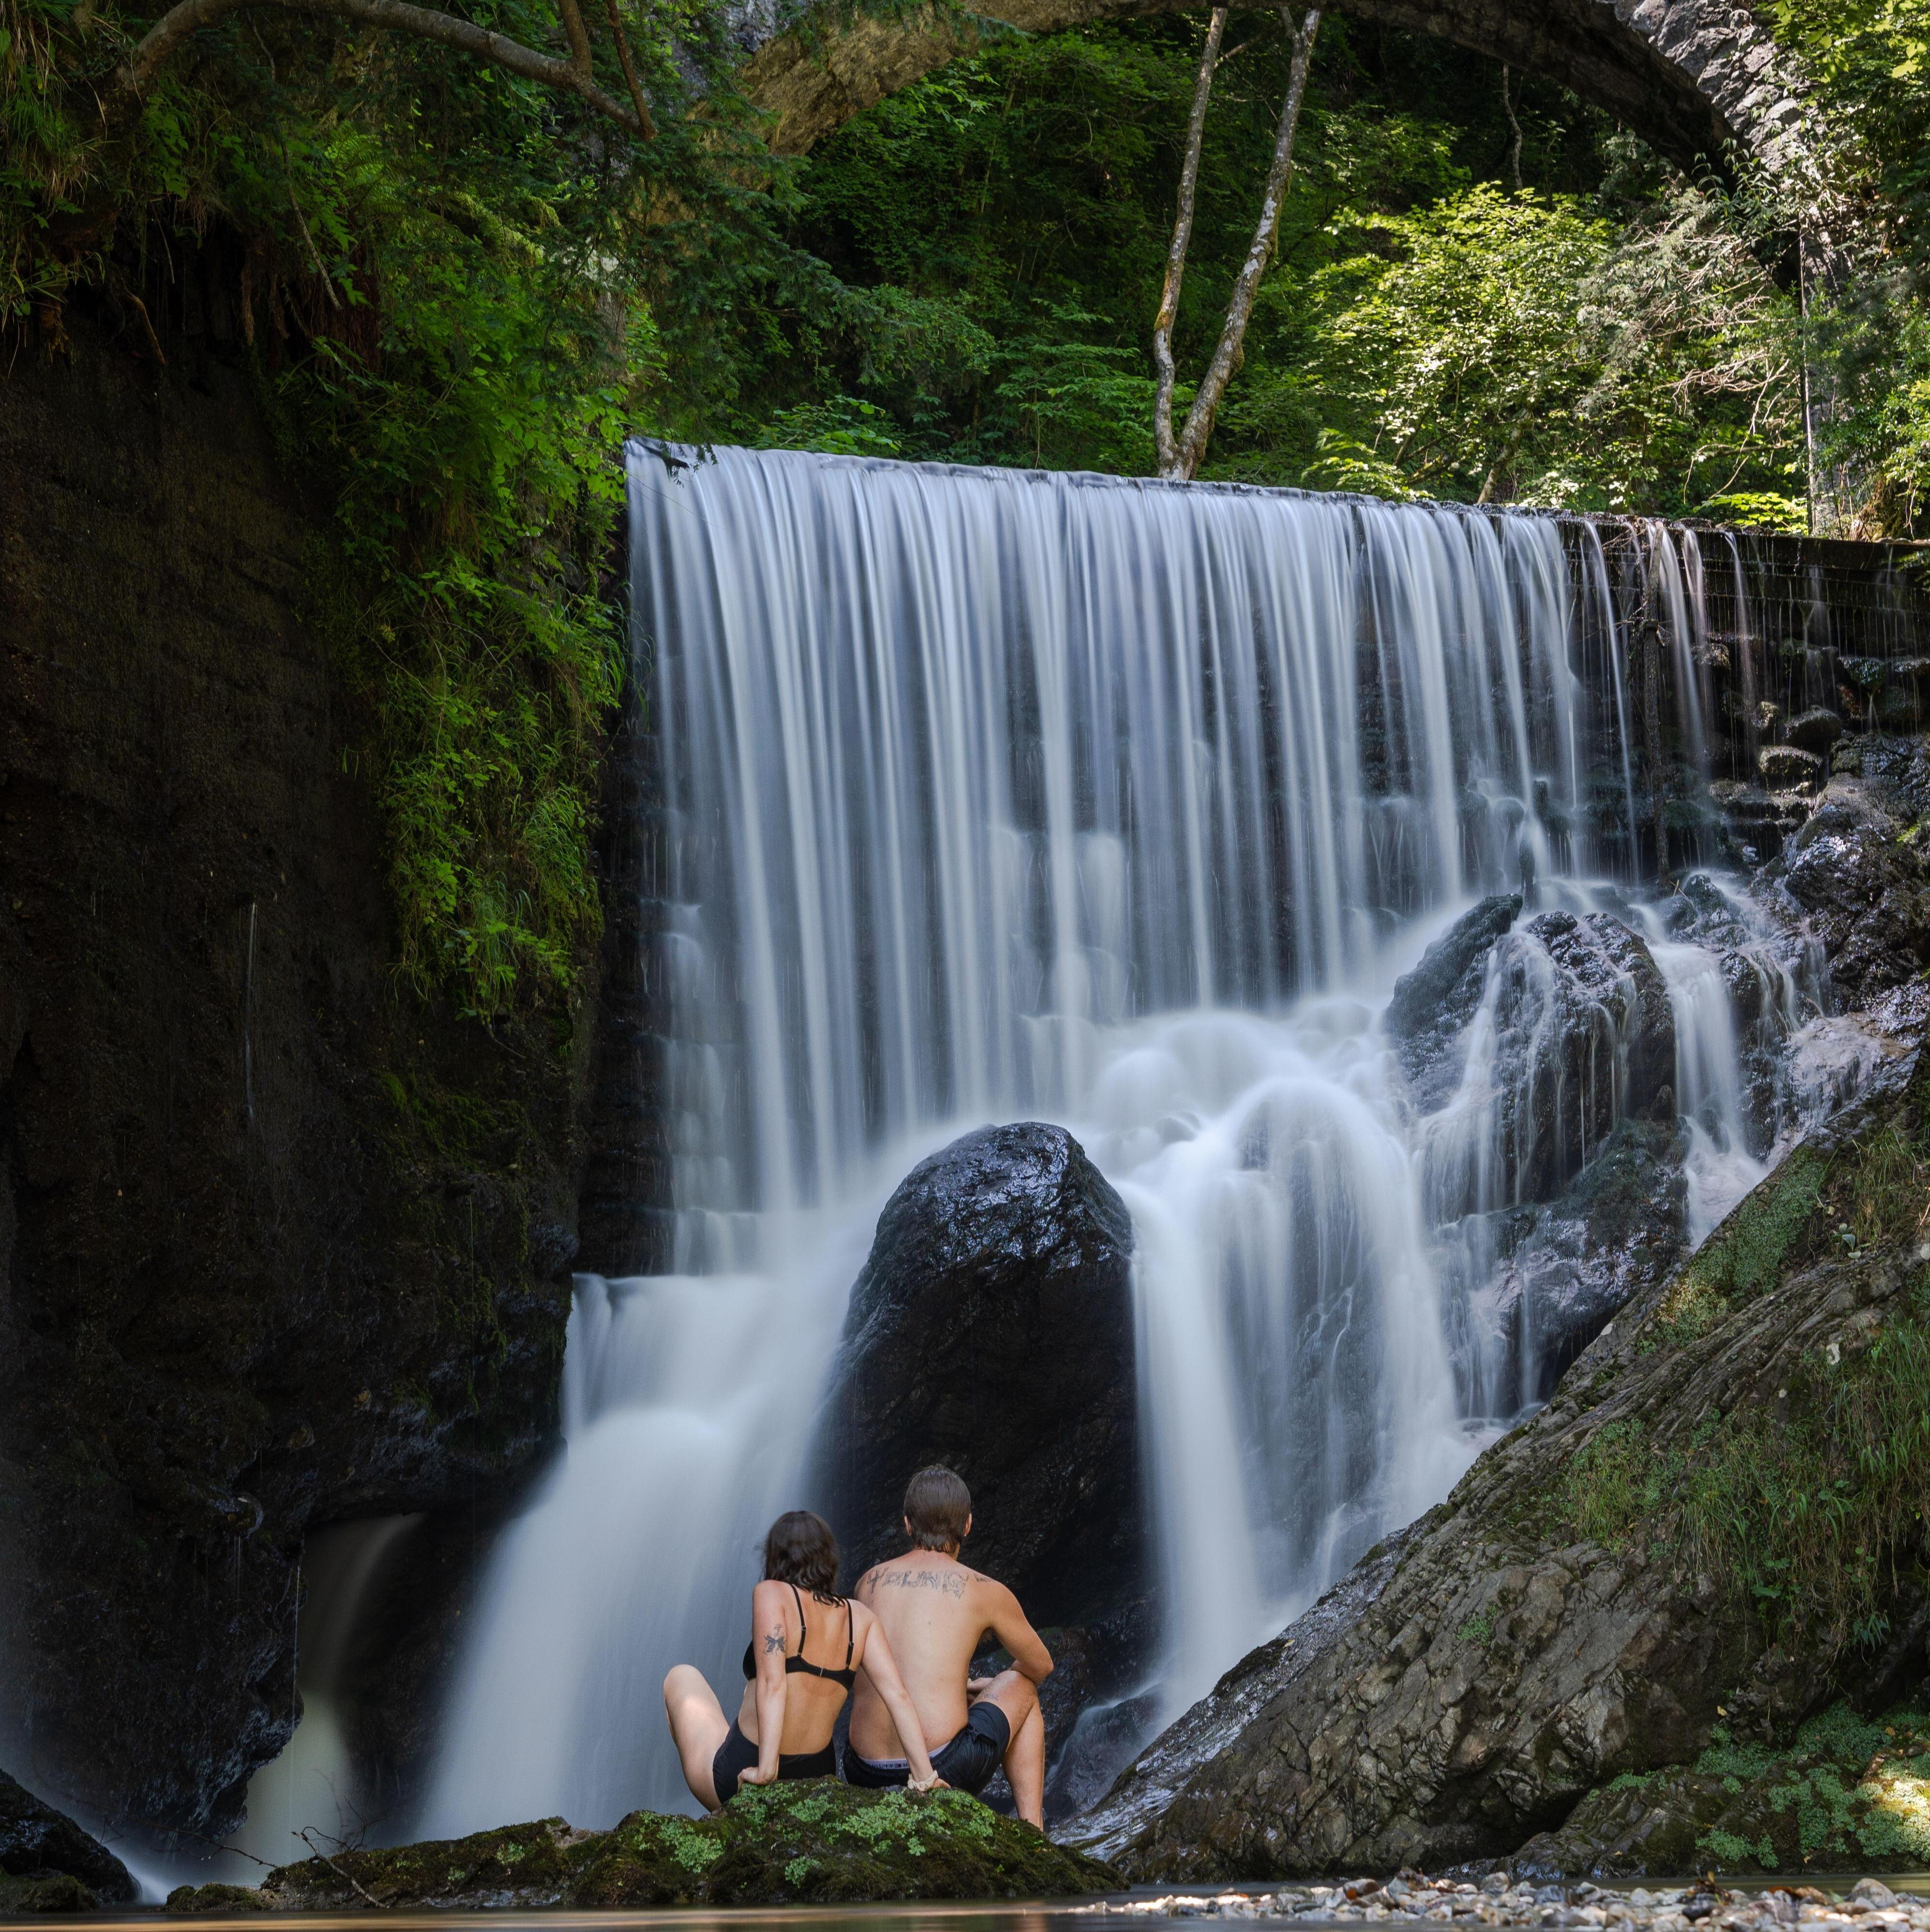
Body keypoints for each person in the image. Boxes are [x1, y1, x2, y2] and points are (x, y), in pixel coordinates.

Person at [662, 1508, 943, 1809]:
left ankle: (723, 1822)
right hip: (815, 1781)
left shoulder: (772, 1593)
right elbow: (898, 1696)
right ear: (828, 1559)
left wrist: (767, 1770)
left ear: (774, 1558)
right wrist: (926, 1776)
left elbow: (773, 1684)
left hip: (747, 1774)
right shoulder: (861, 1619)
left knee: (681, 1677)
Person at [845, 1466, 1054, 1828]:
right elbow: (1040, 1666)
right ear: (969, 1524)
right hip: (942, 1768)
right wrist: (987, 1686)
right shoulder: (984, 1589)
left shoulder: (868, 1582)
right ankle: (1034, 1832)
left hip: (863, 1771)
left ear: (908, 1525)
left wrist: (958, 1688)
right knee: (1022, 1687)